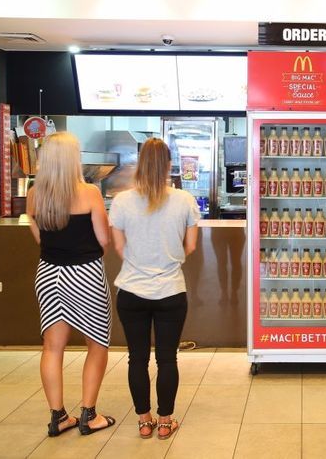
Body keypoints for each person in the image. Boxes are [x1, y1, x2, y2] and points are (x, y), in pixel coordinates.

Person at [110, 138, 200, 440]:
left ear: (139, 164)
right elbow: (190, 246)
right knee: (167, 358)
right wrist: (166, 259)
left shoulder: (122, 201)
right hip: (171, 290)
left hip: (131, 292)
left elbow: (119, 246)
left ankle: (144, 421)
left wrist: (140, 262)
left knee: (137, 358)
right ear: (169, 166)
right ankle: (165, 422)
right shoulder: (184, 200)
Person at [27, 132, 115, 437]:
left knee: (52, 347)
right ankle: (89, 415)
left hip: (48, 273)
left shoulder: (35, 193)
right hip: (86, 274)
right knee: (98, 342)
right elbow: (104, 240)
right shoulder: (89, 192)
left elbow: (37, 233)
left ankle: (58, 416)